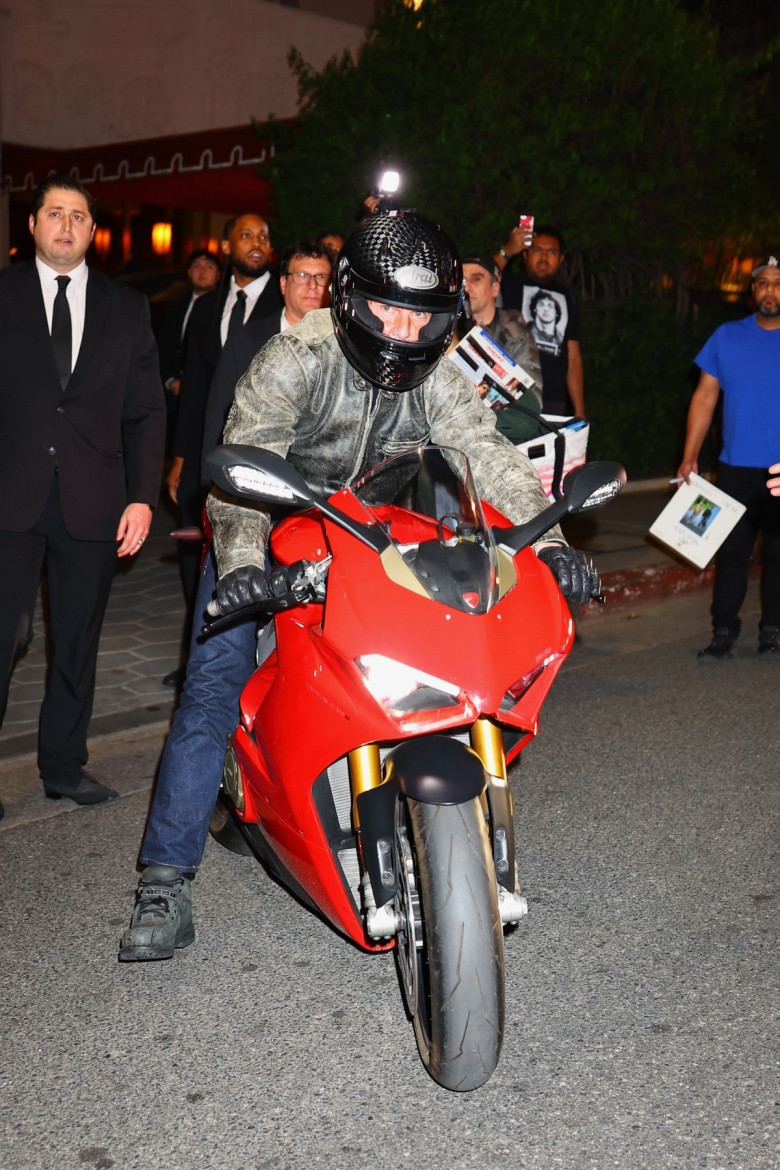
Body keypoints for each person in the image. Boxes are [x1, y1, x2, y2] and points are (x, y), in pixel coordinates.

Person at [119, 209, 600, 962]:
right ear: (351, 298)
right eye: (388, 308)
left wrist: (554, 540)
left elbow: (489, 453)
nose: (403, 330)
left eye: (422, 314)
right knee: (215, 684)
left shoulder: (436, 373)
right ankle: (164, 878)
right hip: (270, 524)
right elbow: (241, 469)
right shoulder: (295, 359)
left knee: (435, 646)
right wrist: (246, 570)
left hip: (372, 534)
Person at [0, 175, 165, 806]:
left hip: (93, 500)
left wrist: (142, 495)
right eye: (53, 214)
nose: (65, 225)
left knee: (76, 638)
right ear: (33, 225)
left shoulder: (127, 308)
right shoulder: (4, 296)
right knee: (5, 634)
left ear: (93, 231)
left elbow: (147, 409)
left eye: (78, 216)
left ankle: (63, 767)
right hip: (11, 497)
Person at [162, 214, 282, 688]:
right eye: (247, 235)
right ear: (227, 245)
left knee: (253, 558)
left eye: (265, 236)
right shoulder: (208, 305)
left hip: (261, 455)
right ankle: (204, 655)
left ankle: (255, 663)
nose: (257, 243)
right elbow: (194, 390)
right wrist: (179, 458)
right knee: (201, 559)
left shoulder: (287, 297)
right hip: (209, 447)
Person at [677, 253, 780, 660]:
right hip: (735, 465)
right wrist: (690, 456)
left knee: (778, 552)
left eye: (777, 282)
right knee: (731, 552)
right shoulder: (726, 336)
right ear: (753, 291)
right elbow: (704, 396)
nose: (770, 290)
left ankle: (772, 628)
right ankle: (724, 630)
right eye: (763, 283)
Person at [201, 240, 332, 487]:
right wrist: (211, 484)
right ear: (283, 283)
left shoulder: (343, 345)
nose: (313, 286)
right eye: (302, 275)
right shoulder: (247, 339)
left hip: (322, 487)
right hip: (258, 479)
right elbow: (219, 413)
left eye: (321, 276)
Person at [495, 224, 585, 418]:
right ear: (525, 254)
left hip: (554, 401)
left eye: (551, 252)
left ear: (561, 259)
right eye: (537, 250)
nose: (544, 258)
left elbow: (573, 357)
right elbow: (480, 276)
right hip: (512, 396)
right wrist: (508, 250)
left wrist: (579, 410)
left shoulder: (567, 296)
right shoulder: (511, 284)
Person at [460, 252, 542, 442]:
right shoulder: (447, 329)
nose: (467, 287)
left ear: (495, 289)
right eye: (462, 280)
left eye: (476, 279)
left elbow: (533, 401)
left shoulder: (515, 332)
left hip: (507, 440)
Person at [155, 248, 221, 448]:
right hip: (176, 401)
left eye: (209, 267)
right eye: (197, 267)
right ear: (188, 272)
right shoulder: (174, 309)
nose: (202, 271)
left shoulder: (227, 311)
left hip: (210, 400)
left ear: (219, 274)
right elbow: (162, 350)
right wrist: (170, 381)